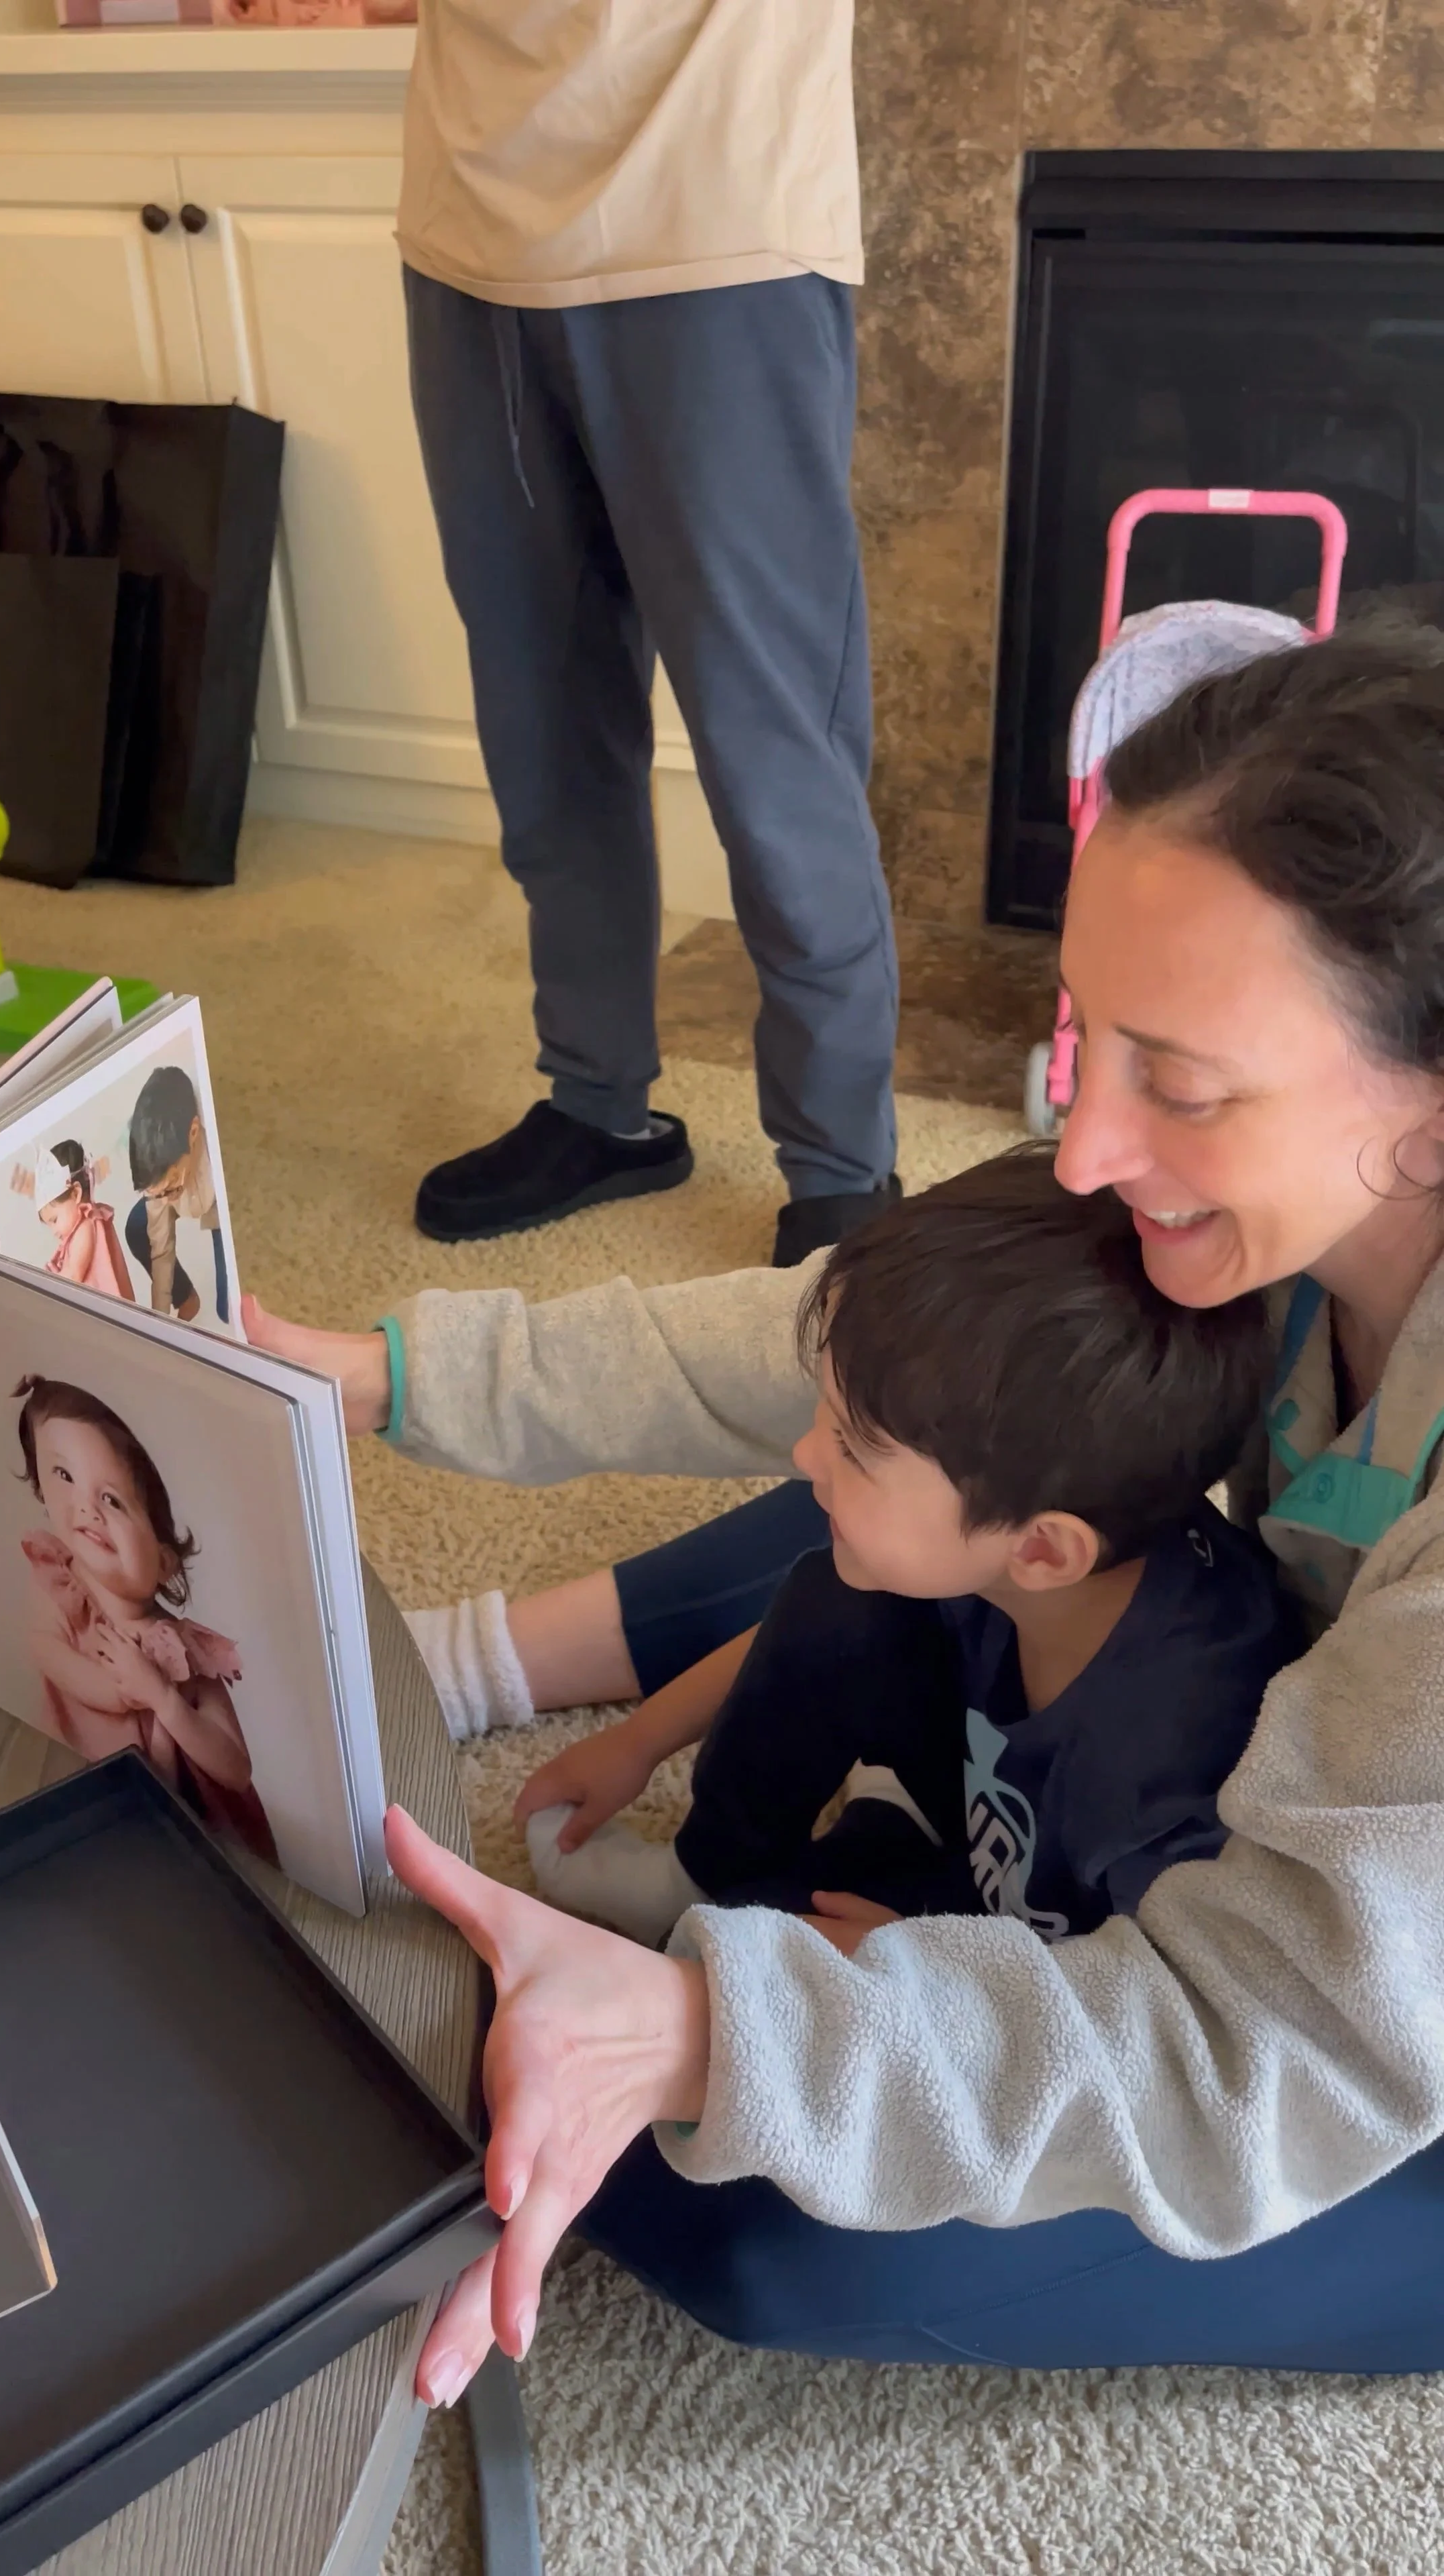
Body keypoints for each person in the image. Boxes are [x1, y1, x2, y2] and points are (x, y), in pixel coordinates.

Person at [248, 617, 1444, 2396]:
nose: (1089, 1147)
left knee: (774, 2204)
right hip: (1288, 1736)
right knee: (922, 1457)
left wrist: (717, 2031)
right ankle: (483, 1654)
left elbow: (1255, 2042)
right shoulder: (1272, 1214)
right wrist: (379, 1372)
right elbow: (866, 1340)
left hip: (1366, 2029)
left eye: (1177, 1085)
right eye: (1086, 1041)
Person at [398, 0, 899, 1267]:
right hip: (470, 232)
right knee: (544, 739)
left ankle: (845, 1174)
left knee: (774, 757)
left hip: (717, 220)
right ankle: (597, 1105)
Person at [517, 1152, 1298, 1951]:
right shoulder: (1041, 1544)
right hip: (967, 1801)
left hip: (1030, 1952)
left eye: (853, 1447)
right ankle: (716, 1866)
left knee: (729, 1960)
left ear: (1041, 1548)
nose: (805, 1454)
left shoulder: (1160, 1780)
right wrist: (640, 1740)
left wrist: (942, 1978)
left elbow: (1148, 2020)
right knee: (845, 1589)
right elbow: (807, 1636)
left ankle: (869, 1837)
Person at [14, 1374, 277, 1862]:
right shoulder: (58, 1586)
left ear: (165, 1561)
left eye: (112, 1500)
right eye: (65, 1476)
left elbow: (236, 1770)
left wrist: (162, 1696)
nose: (88, 1510)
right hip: (76, 1806)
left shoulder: (183, 1652)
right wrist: (120, 1690)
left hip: (181, 1839)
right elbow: (42, 1650)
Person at [125, 1065, 228, 1329]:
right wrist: (160, 1322)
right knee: (139, 1226)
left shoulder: (217, 1153)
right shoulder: (159, 1186)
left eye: (170, 1187)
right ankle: (187, 1299)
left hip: (221, 1205)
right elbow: (162, 1252)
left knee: (229, 1309)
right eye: (158, 1193)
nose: (166, 1199)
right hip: (193, 1191)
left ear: (193, 1133)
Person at [32, 1140, 135, 1301]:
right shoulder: (77, 1231)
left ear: (76, 1193)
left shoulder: (86, 1227)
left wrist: (48, 1283)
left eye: (55, 1220)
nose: (54, 1231)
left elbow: (74, 1276)